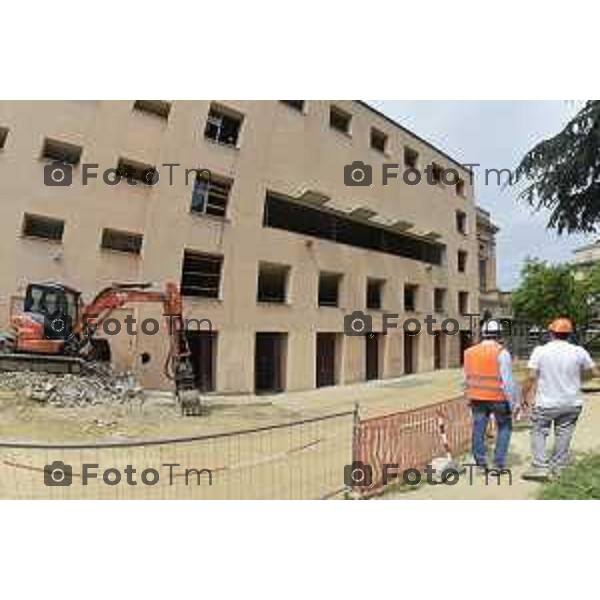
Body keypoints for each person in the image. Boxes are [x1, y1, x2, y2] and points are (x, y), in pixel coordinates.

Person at [522, 318, 597, 481]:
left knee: (539, 432)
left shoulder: (540, 351)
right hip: (572, 403)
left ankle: (541, 467)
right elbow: (594, 372)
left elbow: (531, 377)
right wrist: (579, 380)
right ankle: (559, 467)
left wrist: (524, 396)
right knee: (564, 433)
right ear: (569, 334)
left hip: (546, 403)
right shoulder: (579, 351)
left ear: (551, 333)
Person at [463, 320, 516, 471]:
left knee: (478, 428)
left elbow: (465, 377)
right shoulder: (502, 353)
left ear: (483, 334)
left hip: (476, 398)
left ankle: (480, 462)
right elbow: (507, 381)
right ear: (499, 335)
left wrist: (467, 395)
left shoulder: (469, 352)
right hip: (498, 398)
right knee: (504, 427)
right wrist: (513, 402)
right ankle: (498, 464)